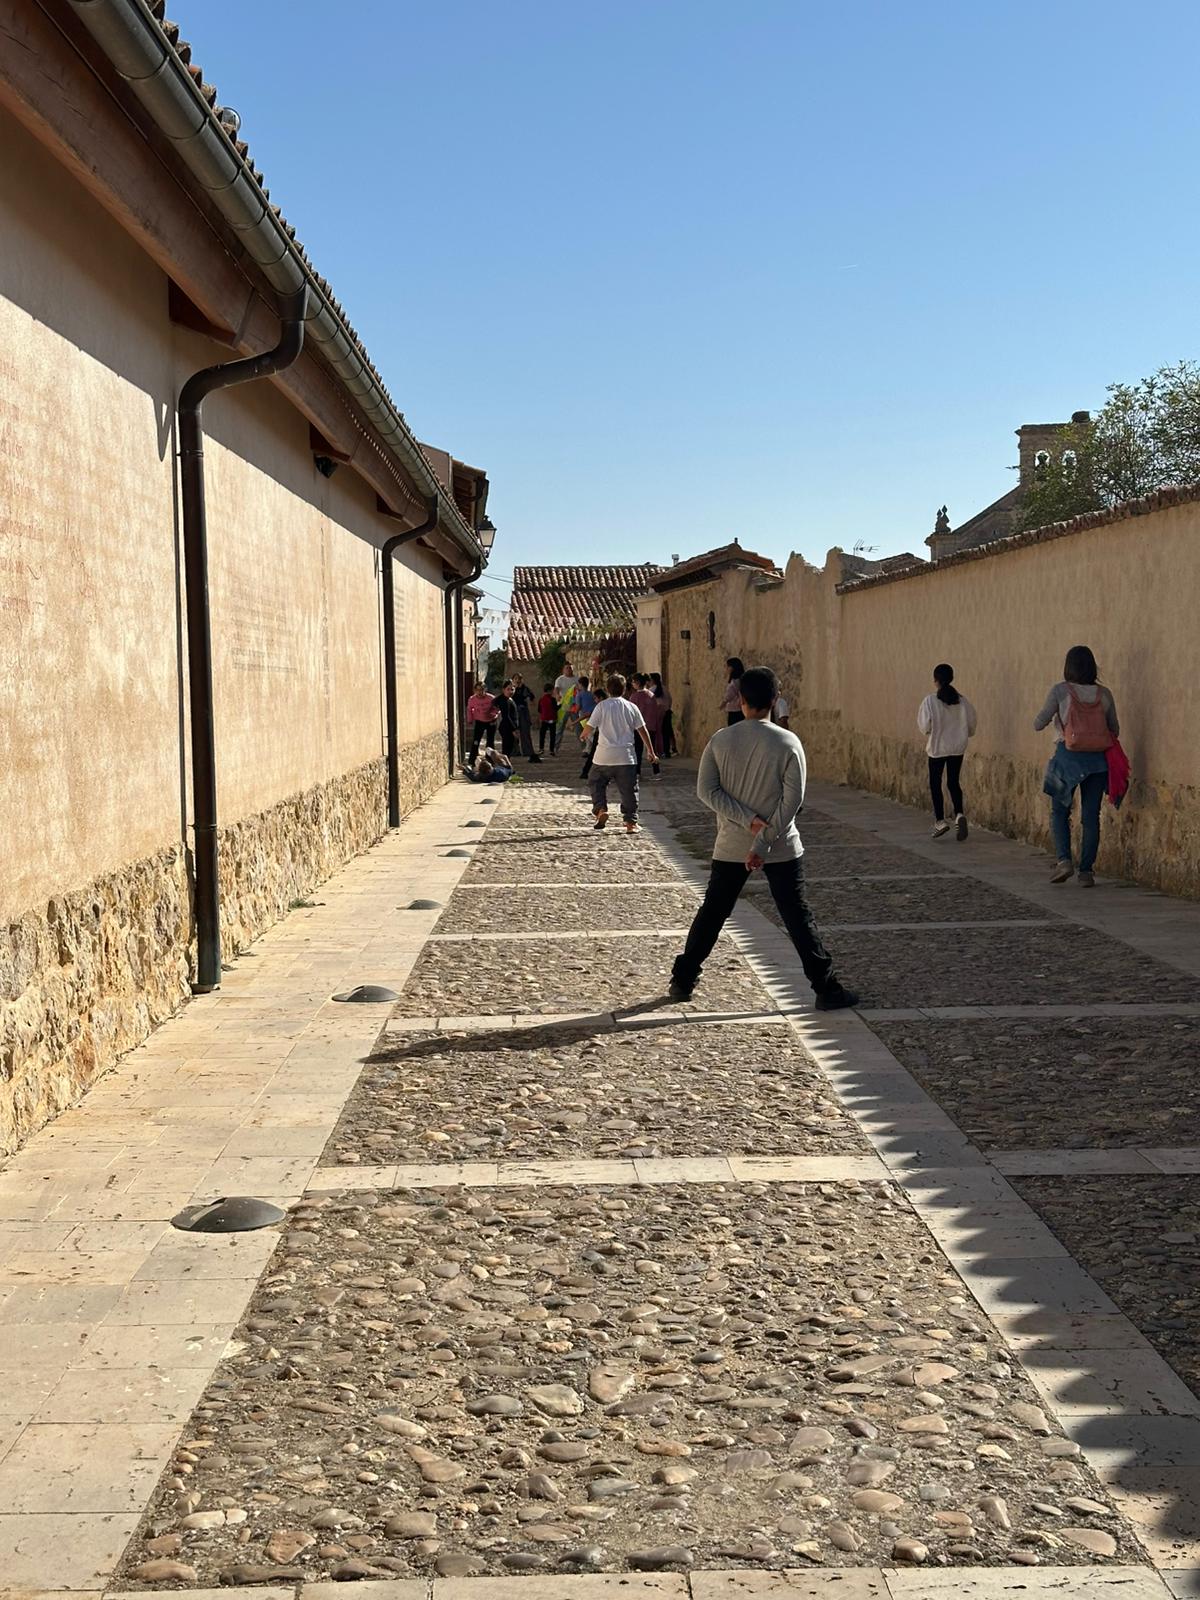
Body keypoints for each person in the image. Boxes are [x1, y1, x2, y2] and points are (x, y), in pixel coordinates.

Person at [669, 665, 858, 1011]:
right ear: (775, 699)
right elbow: (793, 802)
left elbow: (706, 790)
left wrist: (748, 823)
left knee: (713, 912)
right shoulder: (788, 742)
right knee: (797, 917)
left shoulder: (720, 741)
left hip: (730, 846)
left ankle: (683, 979)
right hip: (782, 846)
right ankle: (825, 987)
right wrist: (764, 840)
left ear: (740, 699)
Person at [1035, 645, 1119, 887]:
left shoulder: (1060, 691)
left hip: (1067, 760)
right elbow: (1115, 729)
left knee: (1060, 812)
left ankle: (1064, 861)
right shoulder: (1105, 694)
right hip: (1098, 762)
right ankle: (1086, 872)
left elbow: (1038, 723)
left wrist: (1053, 719)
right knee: (1091, 817)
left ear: (1068, 666)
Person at [586, 673, 658, 833]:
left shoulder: (601, 706)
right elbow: (642, 729)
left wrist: (584, 734)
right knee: (629, 790)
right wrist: (651, 751)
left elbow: (589, 727)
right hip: (626, 756)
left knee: (595, 782)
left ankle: (600, 810)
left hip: (603, 756)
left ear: (607, 689)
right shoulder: (631, 707)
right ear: (625, 689)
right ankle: (630, 823)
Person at [918, 663, 977, 840]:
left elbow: (924, 726)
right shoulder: (963, 701)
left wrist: (932, 732)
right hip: (957, 748)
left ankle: (940, 821)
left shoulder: (930, 701)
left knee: (936, 783)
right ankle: (959, 814)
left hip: (937, 748)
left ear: (935, 680)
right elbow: (972, 726)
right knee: (953, 782)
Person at [631, 673, 662, 755]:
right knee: (652, 750)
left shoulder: (634, 697)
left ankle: (637, 768)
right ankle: (656, 766)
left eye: (633, 682)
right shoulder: (651, 695)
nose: (632, 684)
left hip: (639, 727)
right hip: (651, 725)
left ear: (637, 683)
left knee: (638, 751)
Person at [467, 682, 498, 762]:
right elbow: (469, 709)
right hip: (479, 721)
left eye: (481, 690)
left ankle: (490, 760)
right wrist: (470, 719)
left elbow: (497, 708)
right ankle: (472, 761)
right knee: (476, 741)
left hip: (491, 721)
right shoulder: (472, 699)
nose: (479, 692)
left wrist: (494, 714)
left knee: (490, 742)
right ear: (475, 690)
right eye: (477, 690)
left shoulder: (491, 698)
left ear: (485, 690)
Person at [512, 674, 540, 762]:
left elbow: (532, 697)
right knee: (513, 731)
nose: (517, 680)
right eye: (515, 679)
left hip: (523, 711)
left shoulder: (525, 688)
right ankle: (514, 751)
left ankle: (527, 750)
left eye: (519, 679)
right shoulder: (511, 688)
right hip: (513, 712)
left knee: (525, 731)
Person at [493, 680, 520, 759]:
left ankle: (506, 766)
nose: (510, 691)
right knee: (507, 750)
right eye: (508, 689)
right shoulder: (504, 701)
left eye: (512, 689)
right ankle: (505, 766)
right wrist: (513, 729)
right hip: (507, 728)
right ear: (503, 689)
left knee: (509, 749)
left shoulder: (509, 699)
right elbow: (506, 716)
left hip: (509, 727)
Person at [651, 673, 675, 756]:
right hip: (667, 712)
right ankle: (667, 751)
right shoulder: (665, 689)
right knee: (666, 732)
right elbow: (670, 700)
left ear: (652, 680)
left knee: (658, 733)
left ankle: (658, 751)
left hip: (657, 714)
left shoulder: (651, 690)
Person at [722, 657, 746, 725]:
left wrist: (724, 702)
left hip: (734, 709)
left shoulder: (735, 682)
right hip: (741, 709)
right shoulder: (742, 680)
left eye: (727, 667)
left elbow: (730, 694)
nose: (726, 669)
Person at [537, 684, 558, 754]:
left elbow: (539, 710)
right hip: (552, 719)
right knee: (552, 736)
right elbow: (556, 708)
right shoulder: (552, 699)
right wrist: (561, 705)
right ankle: (551, 750)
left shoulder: (541, 699)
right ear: (550, 690)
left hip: (544, 719)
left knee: (542, 735)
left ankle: (541, 748)